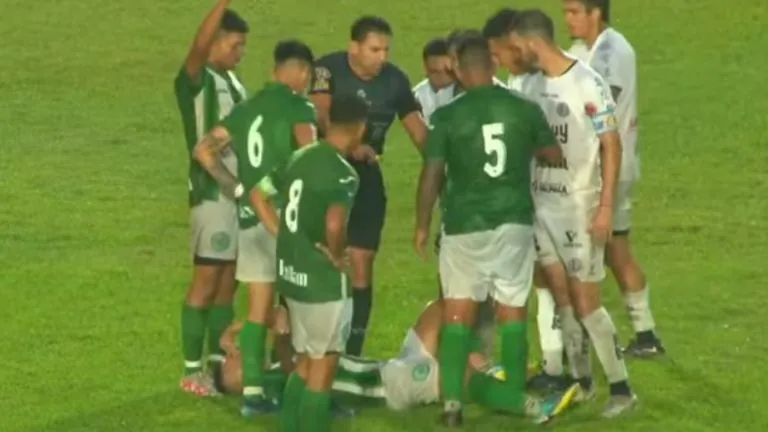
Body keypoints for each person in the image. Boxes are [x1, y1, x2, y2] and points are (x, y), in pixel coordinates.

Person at [413, 34, 575, 427]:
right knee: (513, 311)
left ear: (459, 69)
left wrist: (421, 225)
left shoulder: (447, 116)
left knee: (458, 314)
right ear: (493, 65)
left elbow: (432, 174)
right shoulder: (523, 108)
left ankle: (452, 406)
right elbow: (553, 154)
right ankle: (517, 397)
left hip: (463, 227)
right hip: (513, 223)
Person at [508, 9, 638, 417]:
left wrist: (605, 207)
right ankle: (582, 382)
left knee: (586, 302)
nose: (514, 55)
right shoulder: (528, 84)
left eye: (516, 47)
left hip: (579, 207)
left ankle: (622, 389)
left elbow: (612, 145)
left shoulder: (586, 82)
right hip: (540, 206)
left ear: (532, 43)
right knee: (560, 295)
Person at [192, 39, 317, 415]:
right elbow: (310, 162)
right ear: (302, 72)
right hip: (287, 220)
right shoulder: (300, 108)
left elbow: (203, 150)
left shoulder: (246, 109)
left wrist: (236, 188)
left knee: (258, 310)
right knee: (305, 308)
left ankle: (253, 395)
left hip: (250, 219)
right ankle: (310, 389)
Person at [219, 300, 575, 423]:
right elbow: (293, 363)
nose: (234, 357)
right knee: (459, 380)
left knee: (443, 310)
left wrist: (233, 332)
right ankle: (534, 408)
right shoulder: (274, 384)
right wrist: (280, 337)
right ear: (235, 383)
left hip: (391, 365)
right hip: (389, 388)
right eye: (228, 364)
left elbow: (271, 314)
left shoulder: (268, 367)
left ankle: (481, 365)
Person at [309, 16, 428, 357]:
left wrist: (442, 163)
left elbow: (419, 132)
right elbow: (319, 115)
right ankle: (305, 348)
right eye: (375, 49)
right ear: (354, 47)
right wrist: (350, 145)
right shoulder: (327, 69)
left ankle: (352, 352)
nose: (382, 57)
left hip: (366, 174)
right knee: (316, 259)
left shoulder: (395, 80)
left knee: (362, 262)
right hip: (327, 170)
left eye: (386, 50)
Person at [262, 94, 369, 432]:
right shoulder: (343, 173)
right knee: (322, 370)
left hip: (292, 276)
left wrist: (284, 233)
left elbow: (261, 192)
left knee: (305, 363)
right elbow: (335, 224)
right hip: (322, 284)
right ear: (360, 128)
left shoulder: (298, 156)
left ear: (329, 120)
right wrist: (337, 254)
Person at [564, 0, 664, 357]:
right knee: (617, 248)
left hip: (607, 169)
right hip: (605, 167)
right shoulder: (579, 50)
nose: (568, 19)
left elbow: (595, 103)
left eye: (574, 12)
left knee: (582, 253)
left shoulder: (614, 51)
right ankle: (646, 333)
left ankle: (585, 336)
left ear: (596, 12)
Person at [173, 0, 248, 396]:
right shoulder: (196, 79)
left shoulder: (234, 83)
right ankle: (191, 372)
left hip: (238, 195)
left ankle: (218, 365)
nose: (240, 53)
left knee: (228, 283)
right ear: (215, 43)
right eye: (235, 45)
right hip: (212, 194)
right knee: (206, 282)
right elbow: (197, 46)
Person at [412, 38, 454, 124]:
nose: (442, 77)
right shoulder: (417, 96)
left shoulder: (465, 92)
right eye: (435, 72)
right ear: (425, 67)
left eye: (447, 71)